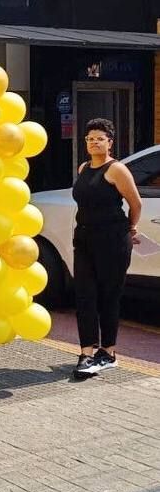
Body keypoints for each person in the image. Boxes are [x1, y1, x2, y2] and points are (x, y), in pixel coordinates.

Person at [72, 118, 142, 376]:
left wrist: (131, 227)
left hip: (112, 240)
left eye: (100, 138)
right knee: (84, 294)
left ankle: (108, 352)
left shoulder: (117, 170)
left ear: (110, 143)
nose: (94, 143)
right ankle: (86, 354)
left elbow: (136, 204)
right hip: (84, 238)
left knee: (109, 296)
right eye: (90, 139)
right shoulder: (83, 168)